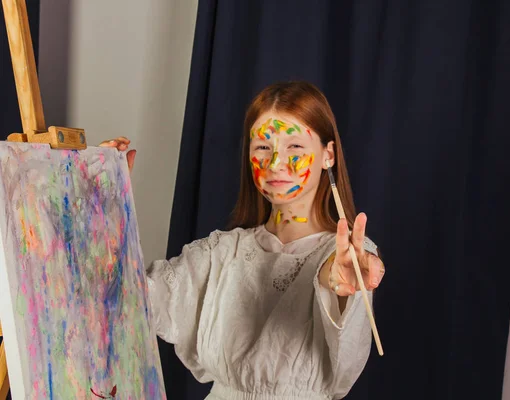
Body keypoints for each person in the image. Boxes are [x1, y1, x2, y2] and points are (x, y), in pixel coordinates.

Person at [101, 81, 385, 400]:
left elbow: (333, 289)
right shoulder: (222, 252)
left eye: (295, 146)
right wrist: (106, 204)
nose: (276, 162)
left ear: (327, 155)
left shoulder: (348, 255)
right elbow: (130, 297)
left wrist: (339, 285)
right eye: (263, 146)